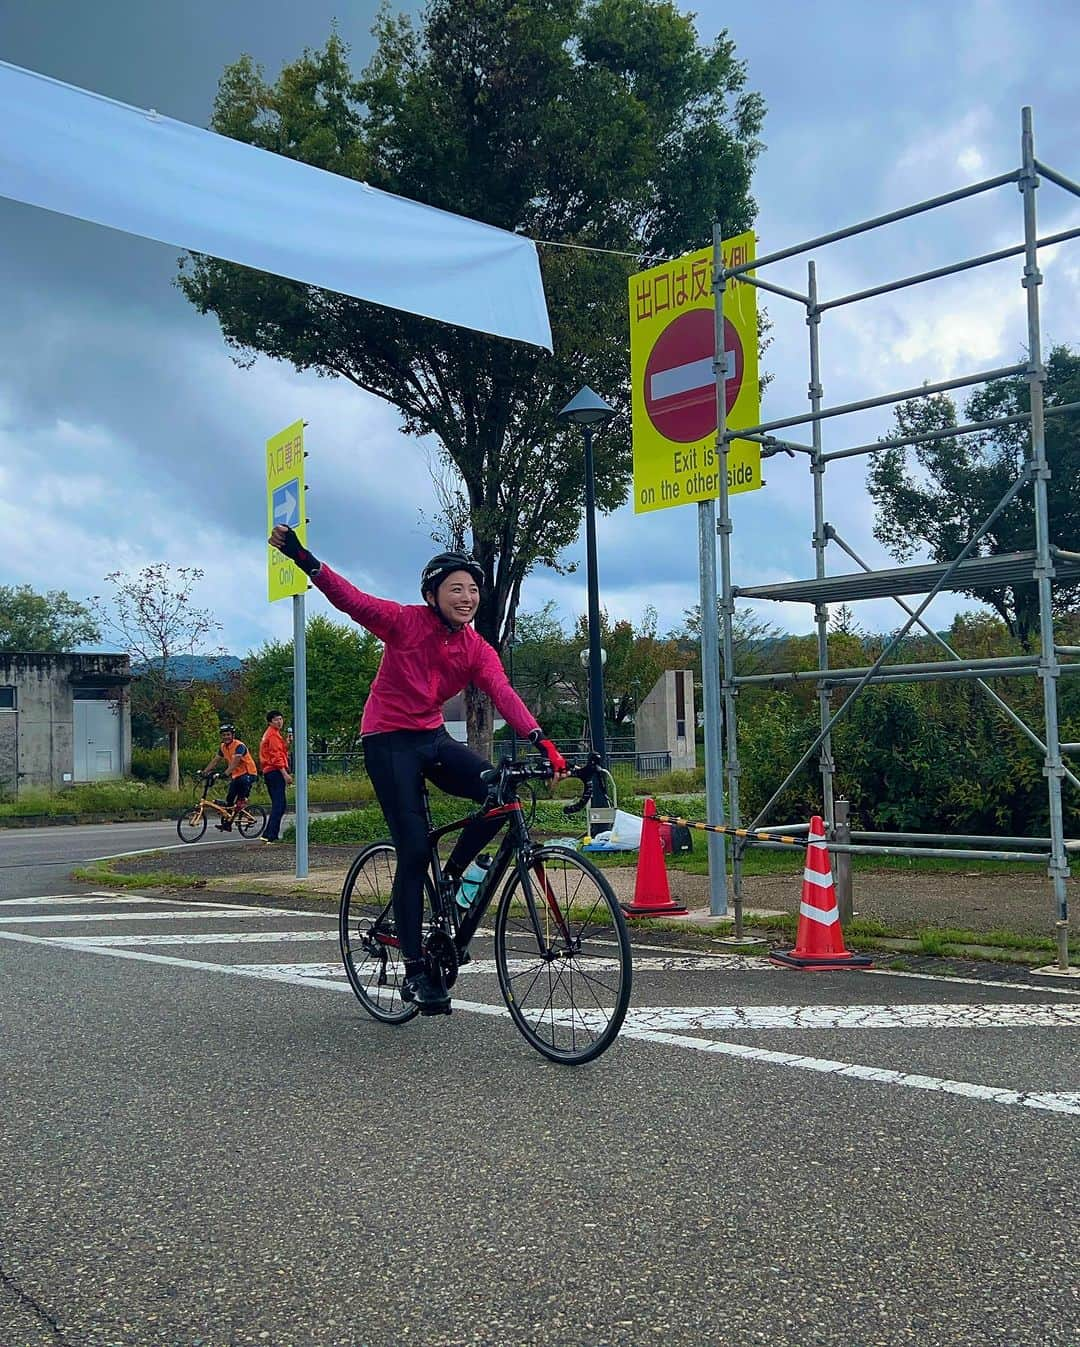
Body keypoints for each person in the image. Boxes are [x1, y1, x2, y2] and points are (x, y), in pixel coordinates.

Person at [269, 524, 566, 1014]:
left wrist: (541, 739)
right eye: (456, 588)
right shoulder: (405, 623)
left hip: (431, 737)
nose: (468, 597)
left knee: (499, 790)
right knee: (411, 850)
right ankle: (413, 968)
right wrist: (305, 558)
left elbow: (502, 692)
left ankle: (449, 877)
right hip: (387, 740)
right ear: (432, 595)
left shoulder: (475, 646)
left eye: (473, 589)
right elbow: (352, 600)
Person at [202, 724, 258, 831]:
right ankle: (228, 823)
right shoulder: (223, 747)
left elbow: (235, 762)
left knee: (240, 799)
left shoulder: (239, 746)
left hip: (248, 774)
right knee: (229, 799)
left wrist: (225, 773)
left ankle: (241, 805)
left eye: (228, 734)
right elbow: (215, 760)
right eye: (224, 735)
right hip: (236, 775)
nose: (226, 737)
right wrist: (205, 772)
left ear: (233, 735)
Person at [259, 710, 292, 843]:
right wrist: (285, 774)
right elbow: (276, 756)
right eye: (276, 720)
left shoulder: (274, 734)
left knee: (278, 804)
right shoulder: (272, 735)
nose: (279, 722)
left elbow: (281, 751)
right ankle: (271, 835)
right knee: (279, 804)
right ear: (270, 722)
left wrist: (288, 743)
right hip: (274, 771)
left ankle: (268, 833)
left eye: (281, 719)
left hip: (270, 771)